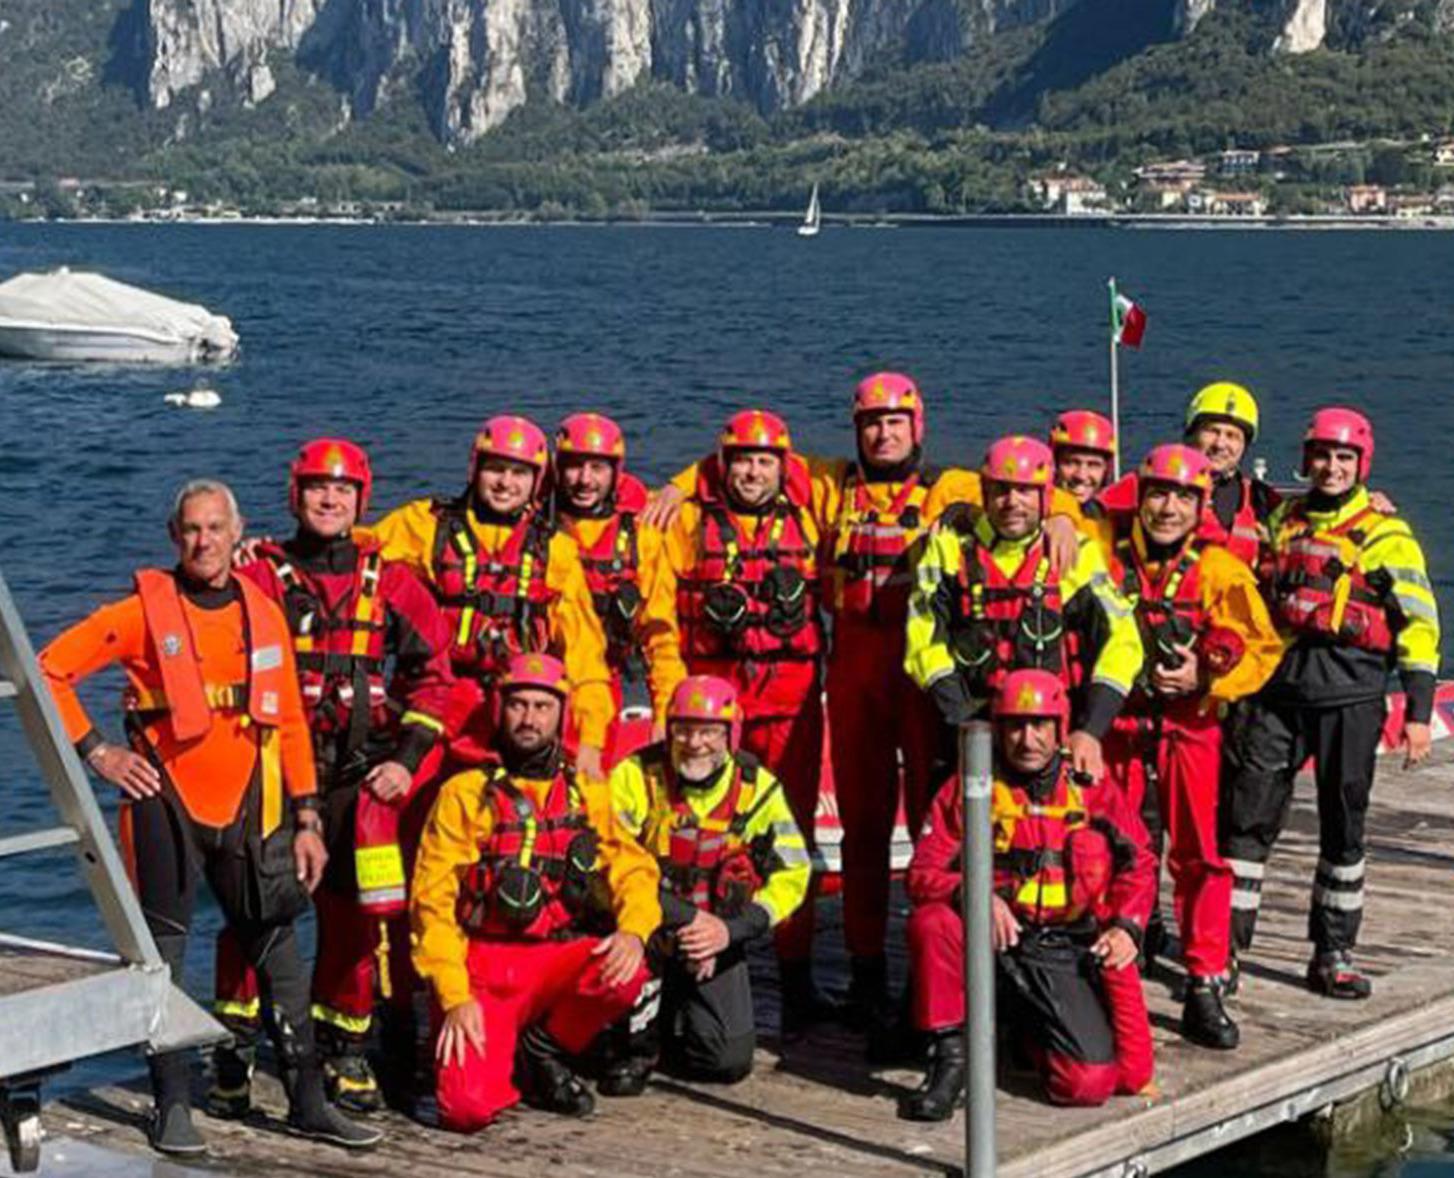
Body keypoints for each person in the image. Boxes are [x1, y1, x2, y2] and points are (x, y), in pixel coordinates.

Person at [38, 480, 380, 1154]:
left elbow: (288, 722)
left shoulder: (263, 613)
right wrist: (98, 752)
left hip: (252, 802)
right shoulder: (141, 612)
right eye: (191, 530)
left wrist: (308, 815)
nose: (203, 541)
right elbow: (49, 669)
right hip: (165, 800)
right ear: (175, 537)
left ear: (236, 533)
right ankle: (170, 1104)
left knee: (278, 948)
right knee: (161, 956)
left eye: (215, 529)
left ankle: (308, 1101)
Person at [210, 439, 454, 1116]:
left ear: (361, 500)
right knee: (250, 912)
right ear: (295, 495)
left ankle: (343, 1047)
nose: (329, 500)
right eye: (317, 488)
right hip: (271, 778)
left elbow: (436, 684)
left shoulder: (396, 583)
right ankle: (235, 1044)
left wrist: (403, 762)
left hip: (356, 780)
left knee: (353, 920)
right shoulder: (258, 574)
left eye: (342, 491)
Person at [1221, 408, 1439, 998]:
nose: (1331, 467)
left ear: (1361, 465)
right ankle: (1225, 951)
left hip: (1351, 691)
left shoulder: (1387, 534)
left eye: (1344, 458)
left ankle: (1333, 950)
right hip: (1276, 691)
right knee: (1246, 821)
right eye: (1322, 455)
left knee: (1344, 825)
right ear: (1307, 457)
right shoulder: (1283, 520)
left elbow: (1418, 623)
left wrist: (1418, 712)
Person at [641, 408, 832, 1034]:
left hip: (790, 703)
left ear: (784, 466)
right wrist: (671, 703)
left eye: (764, 460)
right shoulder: (688, 518)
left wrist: (1058, 512)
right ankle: (686, 956)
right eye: (739, 460)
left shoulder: (813, 504)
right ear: (720, 465)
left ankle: (797, 977)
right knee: (695, 837)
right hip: (711, 711)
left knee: (787, 836)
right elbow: (662, 616)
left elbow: (881, 484)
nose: (751, 472)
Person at [410, 653, 658, 1131]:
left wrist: (634, 930)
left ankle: (544, 1049)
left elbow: (633, 867)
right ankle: (502, 1048)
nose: (529, 718)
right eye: (518, 705)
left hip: (553, 955)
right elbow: (430, 904)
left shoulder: (587, 790)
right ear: (500, 710)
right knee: (466, 1110)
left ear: (560, 715)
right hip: (481, 968)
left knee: (628, 970)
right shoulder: (464, 793)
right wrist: (454, 995)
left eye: (542, 707)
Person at [900, 669, 1156, 1118]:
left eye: (1039, 725)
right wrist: (974, 894)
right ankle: (950, 1061)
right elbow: (921, 874)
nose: (1027, 738)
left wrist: (1128, 928)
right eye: (1015, 725)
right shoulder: (968, 787)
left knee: (1090, 1083)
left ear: (1059, 727)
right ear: (997, 729)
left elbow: (1140, 863)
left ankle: (1027, 1034)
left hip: (1062, 944)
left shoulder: (1091, 790)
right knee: (932, 922)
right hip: (992, 939)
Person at [1102, 445, 1283, 1049]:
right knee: (1110, 847)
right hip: (1120, 729)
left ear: (1201, 505)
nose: (1168, 508)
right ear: (1139, 495)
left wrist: (1206, 678)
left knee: (1200, 854)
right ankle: (1111, 961)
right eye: (1158, 494)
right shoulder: (1101, 553)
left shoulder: (1220, 570)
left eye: (1183, 497)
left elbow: (1261, 648)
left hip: (1189, 724)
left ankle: (1205, 979)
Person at [360, 415, 613, 779]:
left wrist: (591, 740)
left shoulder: (556, 551)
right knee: (393, 795)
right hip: (435, 699)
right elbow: (352, 549)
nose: (506, 483)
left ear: (536, 482)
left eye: (520, 473)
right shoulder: (423, 525)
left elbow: (586, 656)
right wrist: (270, 553)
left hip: (515, 709)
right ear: (474, 469)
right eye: (496, 469)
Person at [601, 674, 810, 1093]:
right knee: (607, 1056)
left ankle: (674, 1017)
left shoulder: (758, 789)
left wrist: (728, 932)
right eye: (684, 729)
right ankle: (639, 1041)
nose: (695, 743)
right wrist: (687, 920)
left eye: (709, 731)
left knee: (726, 1060)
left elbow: (794, 872)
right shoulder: (634, 777)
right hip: (645, 930)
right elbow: (607, 867)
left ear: (730, 734)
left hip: (716, 938)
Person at [904, 434, 1145, 783]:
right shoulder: (949, 547)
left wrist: (1091, 729)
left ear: (1046, 497)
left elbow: (1122, 643)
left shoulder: (1077, 554)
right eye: (1001, 490)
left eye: (1025, 491)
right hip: (968, 725)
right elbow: (923, 636)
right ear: (984, 493)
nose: (1012, 502)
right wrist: (963, 720)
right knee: (958, 829)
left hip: (1049, 735)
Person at [551, 413, 663, 767]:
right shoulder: (533, 529)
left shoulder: (641, 538)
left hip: (608, 685)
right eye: (574, 467)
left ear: (616, 473)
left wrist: (665, 710)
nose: (585, 480)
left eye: (597, 468)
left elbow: (662, 634)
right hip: (537, 687)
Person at [1049, 410, 1117, 511]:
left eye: (1093, 465)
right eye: (1071, 462)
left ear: (1106, 469)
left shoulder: (1109, 517)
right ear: (1054, 465)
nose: (1081, 475)